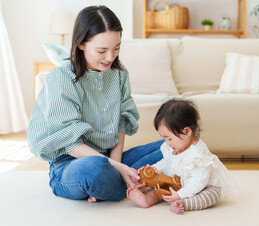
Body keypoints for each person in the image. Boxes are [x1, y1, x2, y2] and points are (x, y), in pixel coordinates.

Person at [27, 5, 163, 203]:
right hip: (71, 164)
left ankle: (114, 183)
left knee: (176, 147)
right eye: (102, 50)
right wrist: (119, 169)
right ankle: (127, 182)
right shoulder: (62, 77)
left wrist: (117, 166)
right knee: (95, 170)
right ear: (81, 44)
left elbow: (121, 124)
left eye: (116, 48)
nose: (110, 57)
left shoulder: (119, 74)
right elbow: (68, 141)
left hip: (110, 159)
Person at [127, 99, 239, 214]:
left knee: (212, 194)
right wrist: (154, 169)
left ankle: (184, 203)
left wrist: (181, 195)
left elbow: (198, 181)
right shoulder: (173, 147)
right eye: (164, 138)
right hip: (175, 184)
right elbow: (166, 162)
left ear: (186, 131)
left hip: (200, 187)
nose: (167, 143)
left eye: (169, 138)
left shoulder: (198, 155)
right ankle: (147, 199)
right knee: (159, 187)